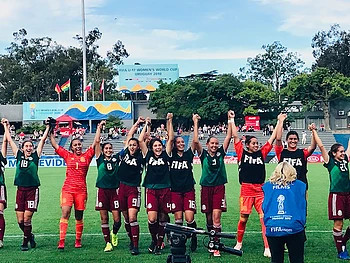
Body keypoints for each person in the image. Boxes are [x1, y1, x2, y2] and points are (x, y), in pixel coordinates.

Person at [232, 113, 286, 257]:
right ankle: (239, 242)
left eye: (257, 143)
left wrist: (279, 121)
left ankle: (267, 247)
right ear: (247, 145)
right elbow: (236, 137)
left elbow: (273, 137)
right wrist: (231, 119)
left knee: (264, 218)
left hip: (260, 190)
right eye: (253, 143)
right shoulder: (241, 153)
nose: (256, 145)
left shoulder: (262, 153)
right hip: (246, 190)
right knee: (243, 218)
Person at [50, 120, 100, 250]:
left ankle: (78, 240)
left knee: (79, 216)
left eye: (79, 144)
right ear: (71, 147)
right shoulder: (67, 155)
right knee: (65, 212)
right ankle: (62, 241)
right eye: (75, 145)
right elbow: (54, 144)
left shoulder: (87, 156)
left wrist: (99, 127)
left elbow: (95, 143)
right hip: (68, 189)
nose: (78, 146)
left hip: (81, 191)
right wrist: (50, 129)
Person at [4, 118, 49, 251]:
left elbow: (42, 141)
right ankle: (30, 236)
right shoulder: (18, 155)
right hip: (20, 191)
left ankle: (25, 242)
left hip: (32, 190)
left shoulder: (35, 156)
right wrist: (6, 126)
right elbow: (11, 140)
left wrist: (47, 128)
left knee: (27, 218)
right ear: (22, 148)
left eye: (30, 146)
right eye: (26, 146)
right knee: (20, 221)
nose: (29, 148)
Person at [197, 110, 234, 257]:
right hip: (206, 188)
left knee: (216, 216)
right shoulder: (203, 154)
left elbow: (229, 136)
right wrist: (195, 122)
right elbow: (195, 141)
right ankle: (212, 239)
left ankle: (216, 244)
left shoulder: (221, 153)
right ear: (207, 144)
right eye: (212, 143)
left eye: (216, 144)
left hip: (219, 188)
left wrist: (230, 119)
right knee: (208, 217)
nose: (214, 145)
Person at [311, 127, 350, 260]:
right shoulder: (330, 162)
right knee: (338, 224)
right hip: (336, 195)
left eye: (343, 151)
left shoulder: (345, 160)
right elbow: (321, 146)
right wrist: (313, 131)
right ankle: (341, 251)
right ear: (333, 153)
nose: (343, 153)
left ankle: (343, 241)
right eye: (340, 152)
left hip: (348, 195)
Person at [167, 113, 200, 252]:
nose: (181, 144)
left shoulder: (188, 154)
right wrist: (170, 120)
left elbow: (196, 141)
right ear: (175, 144)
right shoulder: (170, 154)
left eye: (182, 142)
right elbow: (169, 139)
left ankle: (193, 236)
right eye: (178, 142)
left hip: (188, 190)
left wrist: (195, 122)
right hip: (174, 190)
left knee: (189, 218)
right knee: (178, 219)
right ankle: (180, 242)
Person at [139, 117, 171, 255]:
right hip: (151, 189)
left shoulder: (166, 154)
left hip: (165, 189)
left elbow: (170, 138)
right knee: (152, 218)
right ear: (152, 148)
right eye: (155, 146)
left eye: (159, 145)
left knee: (163, 218)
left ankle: (159, 243)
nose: (158, 147)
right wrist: (146, 124)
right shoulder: (148, 155)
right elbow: (140, 140)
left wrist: (169, 121)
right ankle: (154, 239)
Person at [263, 162, 307, 263]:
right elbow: (303, 205)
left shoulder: (267, 186)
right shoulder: (300, 185)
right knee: (297, 260)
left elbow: (265, 205)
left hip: (273, 226)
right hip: (294, 226)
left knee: (276, 259)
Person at [117, 117, 145, 255]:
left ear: (138, 146)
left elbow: (139, 140)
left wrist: (145, 126)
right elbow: (129, 135)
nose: (132, 146)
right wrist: (136, 123)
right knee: (126, 218)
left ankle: (136, 245)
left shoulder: (142, 156)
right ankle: (131, 239)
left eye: (135, 145)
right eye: (131, 145)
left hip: (134, 188)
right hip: (121, 187)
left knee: (133, 217)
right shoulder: (125, 153)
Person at [94, 120, 123, 253]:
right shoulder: (99, 158)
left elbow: (128, 147)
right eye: (106, 148)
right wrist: (99, 128)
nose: (108, 150)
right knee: (104, 218)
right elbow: (97, 142)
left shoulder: (117, 158)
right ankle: (107, 243)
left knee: (117, 220)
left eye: (110, 148)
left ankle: (114, 233)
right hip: (102, 191)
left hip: (114, 192)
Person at [275, 124, 317, 189]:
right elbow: (278, 139)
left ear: (298, 140)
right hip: (284, 186)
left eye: (295, 139)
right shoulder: (281, 152)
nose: (293, 141)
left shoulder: (302, 153)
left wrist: (313, 131)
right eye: (290, 139)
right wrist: (281, 121)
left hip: (300, 186)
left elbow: (313, 147)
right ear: (286, 140)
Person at [0, 120, 8, 248]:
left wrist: (6, 126)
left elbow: (6, 142)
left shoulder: (1, 156)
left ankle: (0, 239)